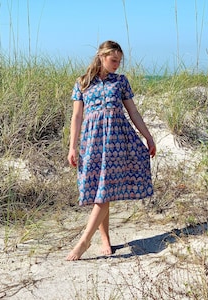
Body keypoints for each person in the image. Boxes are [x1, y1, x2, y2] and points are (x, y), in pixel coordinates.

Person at [66, 40, 156, 261]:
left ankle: (84, 241)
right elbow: (77, 117)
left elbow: (133, 112)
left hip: (117, 142)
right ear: (101, 56)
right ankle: (105, 239)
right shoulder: (83, 83)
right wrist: (72, 146)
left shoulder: (121, 82)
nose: (117, 65)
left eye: (119, 61)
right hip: (92, 141)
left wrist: (148, 136)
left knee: (104, 191)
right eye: (113, 60)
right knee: (100, 190)